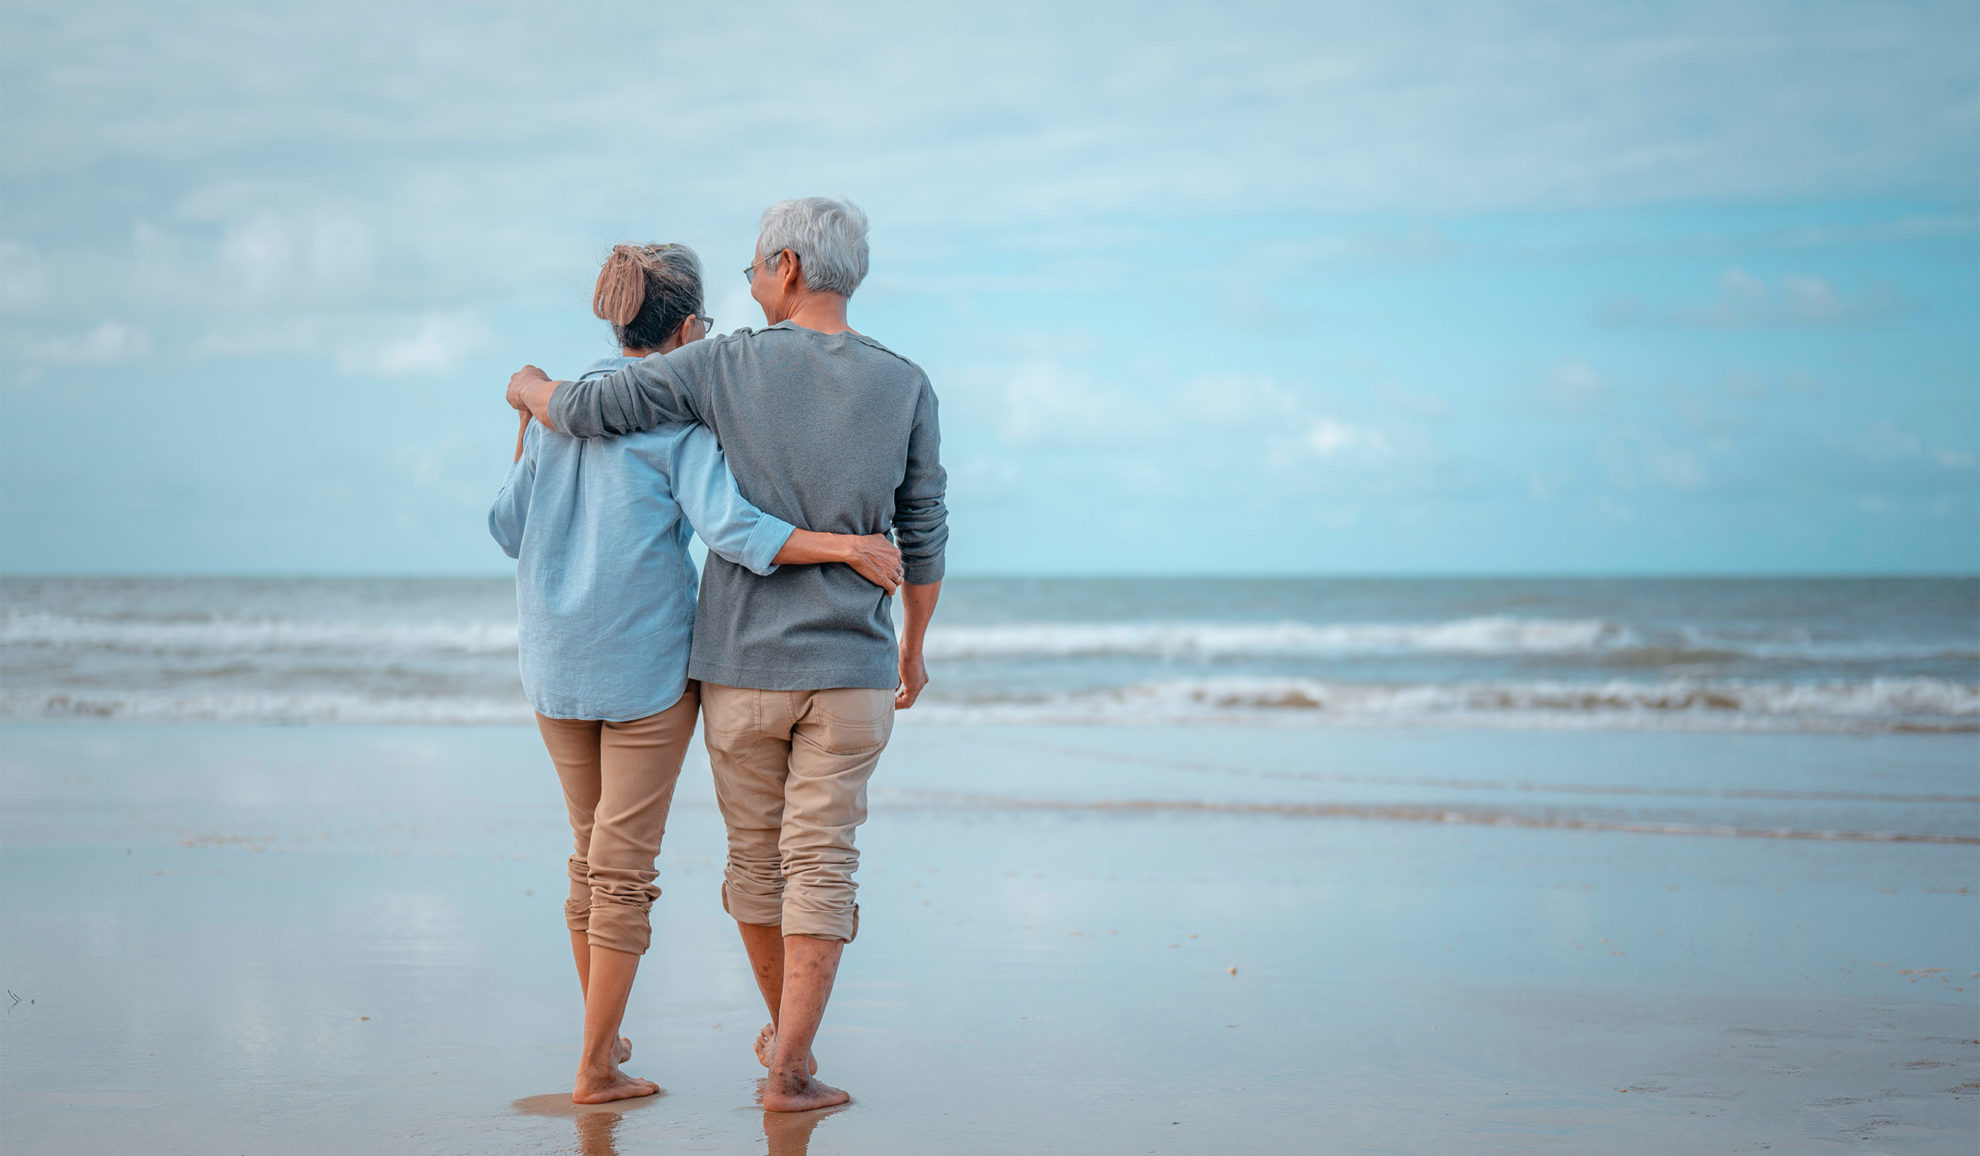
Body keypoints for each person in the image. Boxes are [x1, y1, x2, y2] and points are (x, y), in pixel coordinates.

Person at [506, 197, 948, 1112]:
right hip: (762, 668)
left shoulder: (701, 373)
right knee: (799, 862)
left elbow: (550, 462)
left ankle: (682, 1038)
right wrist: (901, 625)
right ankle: (767, 1060)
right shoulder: (897, 383)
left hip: (657, 667)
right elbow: (887, 529)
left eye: (755, 271)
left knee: (690, 860)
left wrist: (526, 396)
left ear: (786, 268)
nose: (748, 291)